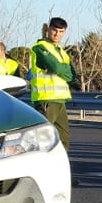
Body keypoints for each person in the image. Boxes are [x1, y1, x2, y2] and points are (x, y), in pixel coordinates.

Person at [30, 17, 76, 151]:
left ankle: (60, 168)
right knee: (43, 140)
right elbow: (57, 68)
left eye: (61, 32)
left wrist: (64, 71)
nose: (57, 34)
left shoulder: (61, 52)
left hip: (60, 99)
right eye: (54, 30)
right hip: (46, 98)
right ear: (48, 29)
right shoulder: (40, 48)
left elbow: (72, 74)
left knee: (63, 139)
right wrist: (63, 70)